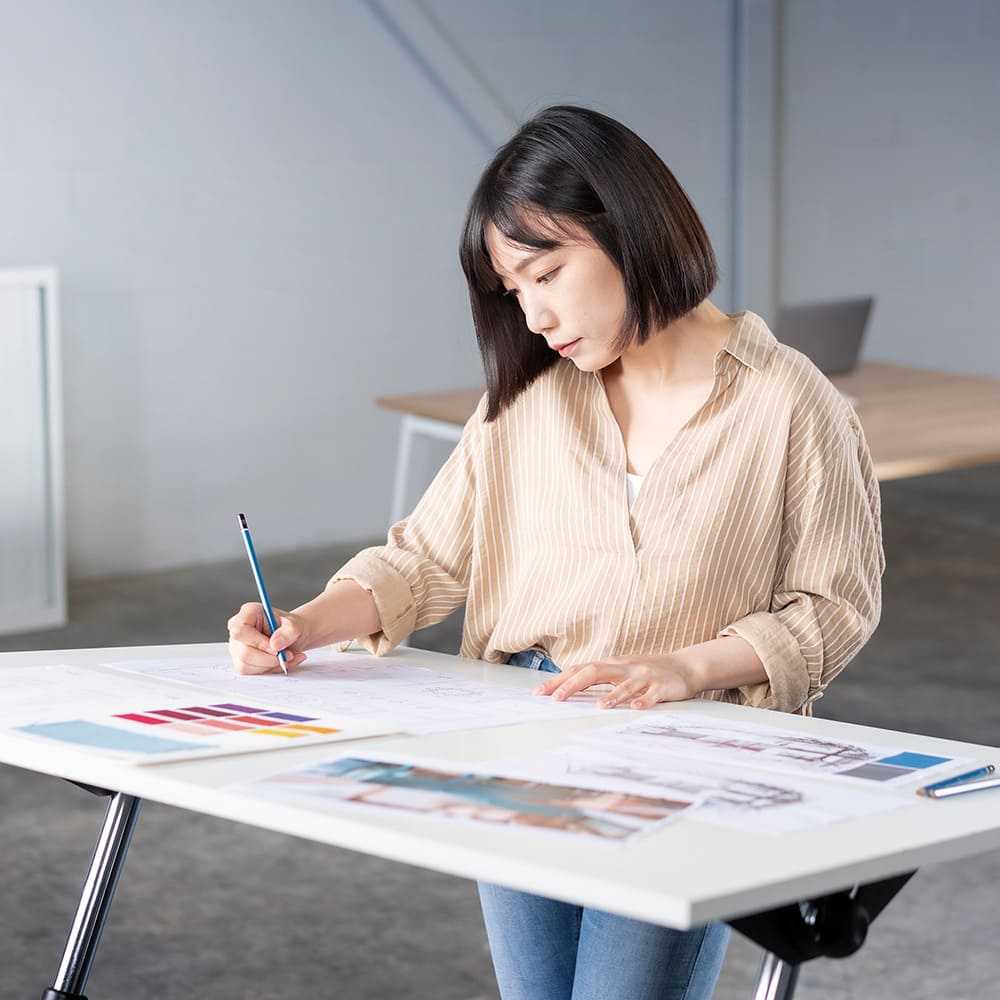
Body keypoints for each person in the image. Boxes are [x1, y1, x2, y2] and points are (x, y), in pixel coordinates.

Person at [228, 105, 884, 1000]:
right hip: (521, 732)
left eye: (546, 273)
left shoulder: (791, 403)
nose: (534, 315)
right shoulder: (530, 399)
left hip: (686, 749)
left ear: (630, 229)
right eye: (513, 290)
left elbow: (834, 607)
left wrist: (684, 668)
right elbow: (423, 560)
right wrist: (302, 623)